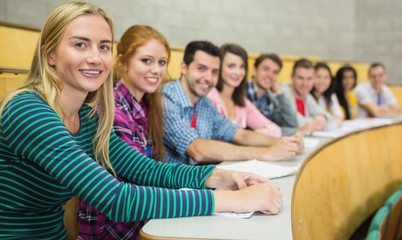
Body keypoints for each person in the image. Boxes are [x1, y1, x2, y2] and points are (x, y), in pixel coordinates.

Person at [0, 3, 283, 239]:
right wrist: (232, 202)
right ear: (50, 54)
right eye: (80, 45)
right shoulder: (27, 109)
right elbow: (115, 198)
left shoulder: (87, 116)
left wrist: (215, 177)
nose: (95, 57)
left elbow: (144, 169)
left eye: (103, 46)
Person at [77, 25, 168, 239]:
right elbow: (134, 181)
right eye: (146, 60)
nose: (156, 69)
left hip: (138, 222)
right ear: (123, 62)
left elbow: (149, 172)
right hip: (113, 229)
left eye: (162, 62)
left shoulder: (144, 105)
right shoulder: (113, 107)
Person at [162, 41, 303, 165]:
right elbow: (197, 149)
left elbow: (239, 134)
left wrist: (283, 143)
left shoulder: (203, 103)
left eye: (214, 72)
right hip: (168, 190)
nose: (208, 78)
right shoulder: (166, 98)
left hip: (196, 182)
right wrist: (265, 153)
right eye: (201, 68)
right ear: (184, 67)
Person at [207, 43, 282, 138]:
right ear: (219, 67)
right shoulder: (208, 98)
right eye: (231, 66)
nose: (238, 72)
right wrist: (247, 138)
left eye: (241, 67)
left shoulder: (242, 103)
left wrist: (258, 134)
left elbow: (276, 130)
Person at [246, 53, 300, 136]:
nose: (270, 75)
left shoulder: (270, 99)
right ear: (254, 71)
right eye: (266, 69)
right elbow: (252, 131)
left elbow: (292, 124)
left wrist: (280, 93)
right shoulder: (241, 93)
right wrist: (293, 132)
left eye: (275, 72)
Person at [281, 58, 338, 134]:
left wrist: (323, 118)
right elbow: (295, 124)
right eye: (300, 78)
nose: (305, 83)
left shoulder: (307, 97)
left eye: (309, 79)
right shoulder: (282, 94)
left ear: (313, 79)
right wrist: (315, 121)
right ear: (292, 77)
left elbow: (331, 122)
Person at [311, 62, 343, 127]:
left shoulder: (331, 96)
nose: (322, 81)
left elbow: (339, 116)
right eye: (318, 77)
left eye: (326, 77)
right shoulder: (306, 96)